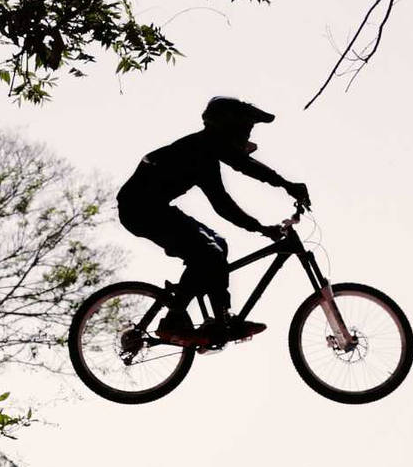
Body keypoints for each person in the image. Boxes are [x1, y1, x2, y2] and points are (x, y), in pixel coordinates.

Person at [117, 96, 311, 345]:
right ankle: (174, 321)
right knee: (208, 253)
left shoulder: (204, 146)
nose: (247, 135)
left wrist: (282, 192)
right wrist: (263, 221)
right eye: (246, 128)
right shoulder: (200, 150)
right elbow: (228, 196)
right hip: (142, 211)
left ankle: (220, 319)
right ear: (228, 126)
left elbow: (242, 168)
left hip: (151, 208)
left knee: (218, 245)